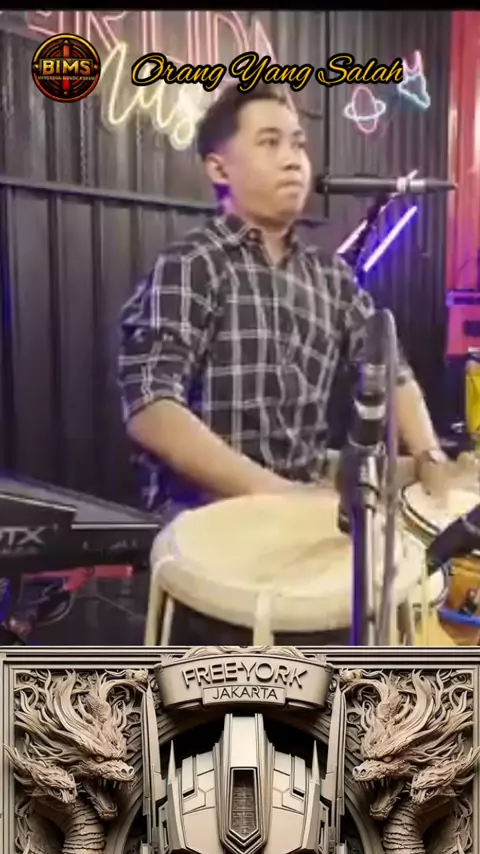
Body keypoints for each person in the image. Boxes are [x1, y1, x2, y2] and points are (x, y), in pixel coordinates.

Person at [118, 83, 450, 644]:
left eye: (298, 143)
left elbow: (390, 368)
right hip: (209, 524)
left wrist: (430, 454)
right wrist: (278, 496)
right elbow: (151, 408)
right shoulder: (192, 265)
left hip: (304, 512)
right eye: (270, 142)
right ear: (219, 168)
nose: (294, 157)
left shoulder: (331, 278)